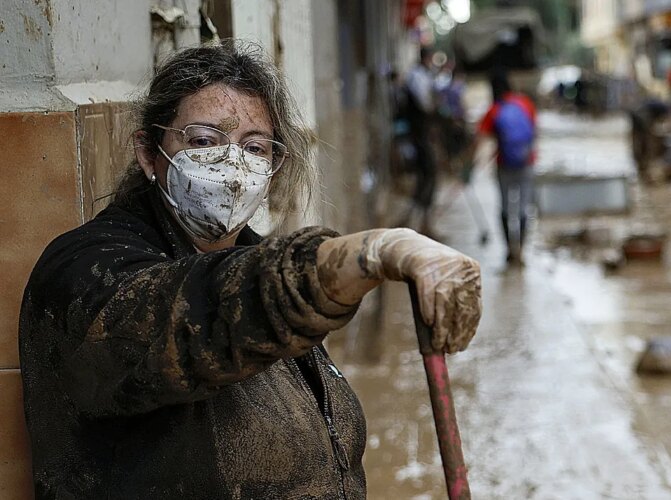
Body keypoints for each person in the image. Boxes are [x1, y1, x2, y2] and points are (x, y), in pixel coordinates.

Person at [18, 40, 481, 499]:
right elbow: (186, 318)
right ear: (148, 153)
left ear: (274, 166)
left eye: (254, 147)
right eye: (203, 140)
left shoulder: (257, 259)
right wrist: (361, 256)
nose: (233, 165)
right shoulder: (84, 270)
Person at [470, 71, 537, 266]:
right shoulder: (526, 104)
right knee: (524, 207)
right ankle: (522, 252)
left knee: (506, 207)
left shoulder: (494, 109)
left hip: (504, 164)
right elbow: (533, 133)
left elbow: (480, 138)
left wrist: (469, 166)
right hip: (527, 162)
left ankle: (510, 251)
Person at [402, 46, 440, 238]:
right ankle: (417, 224)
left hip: (421, 133)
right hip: (418, 134)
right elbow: (425, 104)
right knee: (427, 175)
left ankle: (422, 223)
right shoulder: (417, 76)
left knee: (428, 176)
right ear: (427, 58)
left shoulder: (423, 76)